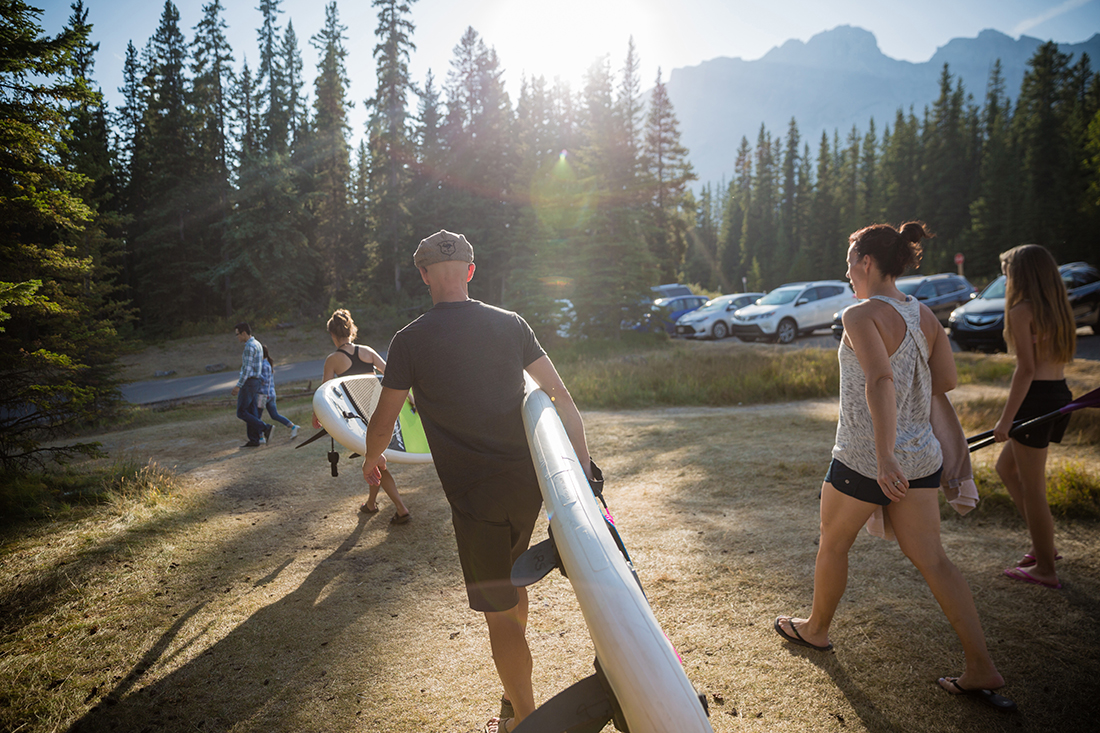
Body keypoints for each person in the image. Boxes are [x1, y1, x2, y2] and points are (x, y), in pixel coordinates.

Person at [774, 222, 1015, 711]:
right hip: (922, 458)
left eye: (849, 263)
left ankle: (816, 630)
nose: (847, 273)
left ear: (866, 262)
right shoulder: (924, 315)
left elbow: (880, 380)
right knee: (934, 560)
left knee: (833, 543)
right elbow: (944, 379)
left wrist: (883, 457)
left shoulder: (860, 314)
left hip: (866, 459)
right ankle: (980, 665)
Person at [360, 230, 594, 733]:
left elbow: (384, 420)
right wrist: (585, 469)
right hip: (526, 486)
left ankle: (523, 721)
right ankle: (516, 698)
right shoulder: (511, 325)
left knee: (499, 615)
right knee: (511, 583)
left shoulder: (409, 340)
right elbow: (561, 398)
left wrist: (372, 458)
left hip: (476, 498)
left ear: (424, 276)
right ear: (470, 270)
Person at [994, 244, 1076, 590]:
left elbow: (1025, 370)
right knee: (1006, 469)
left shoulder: (1021, 310)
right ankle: (1045, 547)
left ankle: (1045, 568)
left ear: (1021, 275)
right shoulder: (1056, 308)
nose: (1004, 277)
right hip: (1059, 393)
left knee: (1034, 489)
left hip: (1035, 400)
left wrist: (1004, 420)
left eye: (1007, 270)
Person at [313, 309, 411, 524]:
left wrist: (317, 416)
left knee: (377, 460)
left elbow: (325, 392)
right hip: (380, 414)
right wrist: (410, 399)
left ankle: (401, 509)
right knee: (374, 460)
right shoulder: (367, 351)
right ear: (352, 330)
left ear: (332, 334)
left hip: (357, 421)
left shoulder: (333, 360)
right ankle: (371, 504)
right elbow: (393, 374)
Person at [231, 322, 272, 448]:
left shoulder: (249, 347)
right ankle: (254, 440)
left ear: (244, 333)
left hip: (249, 382)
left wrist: (238, 385)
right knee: (251, 410)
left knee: (241, 412)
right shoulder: (258, 344)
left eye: (238, 334)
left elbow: (247, 369)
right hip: (256, 382)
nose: (237, 337)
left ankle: (266, 427)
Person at [257, 344, 301, 440]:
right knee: (274, 415)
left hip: (263, 395)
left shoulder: (263, 366)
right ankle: (293, 427)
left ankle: (260, 437)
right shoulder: (267, 363)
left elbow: (263, 380)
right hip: (271, 394)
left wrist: (256, 373)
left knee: (257, 417)